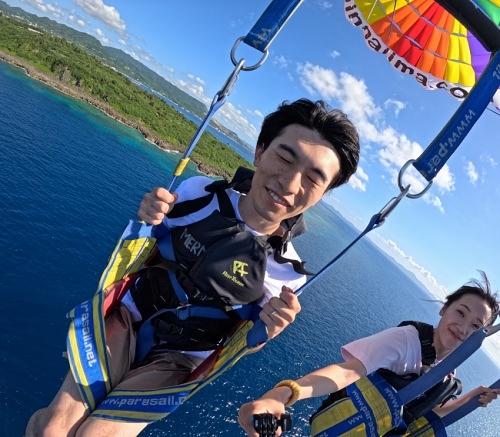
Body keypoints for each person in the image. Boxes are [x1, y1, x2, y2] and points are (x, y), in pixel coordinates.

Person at [25, 98, 360, 437]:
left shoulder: (288, 272)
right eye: (285, 158)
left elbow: (246, 340)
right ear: (260, 152)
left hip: (180, 359)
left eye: (313, 179)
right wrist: (150, 213)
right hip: (127, 316)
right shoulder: (199, 193)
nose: (289, 183)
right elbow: (148, 241)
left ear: (321, 194)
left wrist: (270, 329)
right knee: (53, 428)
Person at [238, 271, 500, 436]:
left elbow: (422, 412)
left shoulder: (448, 372)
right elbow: (346, 372)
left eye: (475, 326)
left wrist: (469, 399)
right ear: (444, 309)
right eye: (460, 312)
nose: (464, 328)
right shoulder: (405, 341)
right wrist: (282, 394)